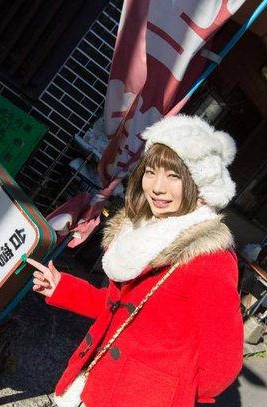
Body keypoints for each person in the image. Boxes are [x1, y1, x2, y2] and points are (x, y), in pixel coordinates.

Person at [27, 115, 243, 407]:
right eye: (151, 172)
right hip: (92, 384)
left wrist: (166, 393)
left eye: (174, 176)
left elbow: (223, 362)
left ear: (199, 182)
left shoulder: (209, 257)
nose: (157, 187)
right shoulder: (139, 230)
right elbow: (119, 310)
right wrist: (62, 287)